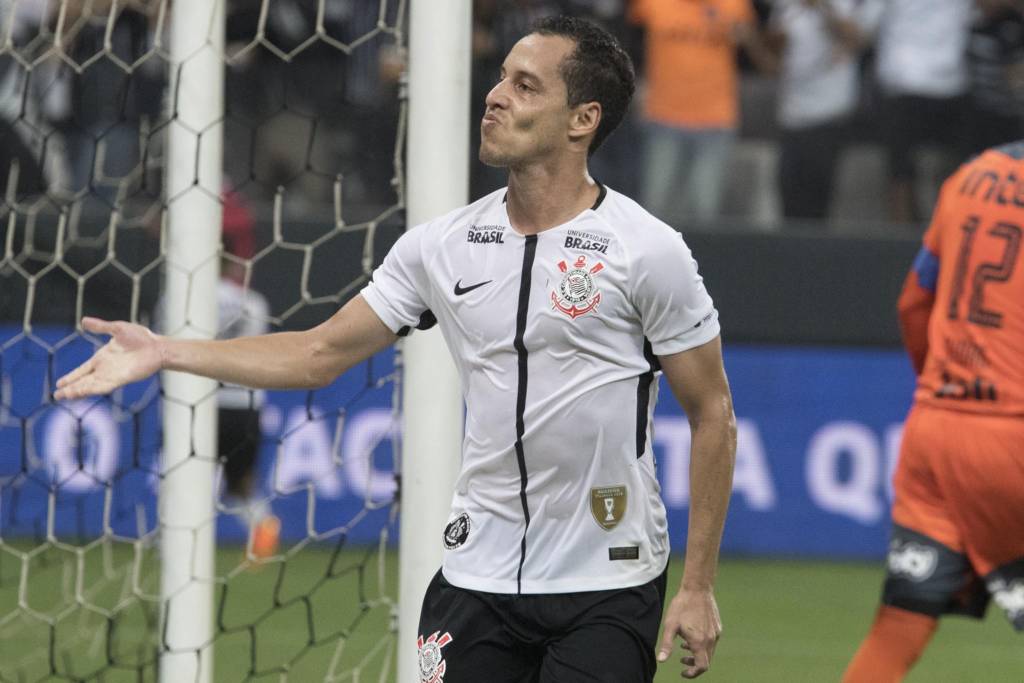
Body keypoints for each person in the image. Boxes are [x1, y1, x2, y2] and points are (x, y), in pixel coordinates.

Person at [54, 16, 737, 682]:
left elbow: (713, 415)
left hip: (607, 581)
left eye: (526, 86)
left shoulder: (647, 251)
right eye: (502, 78)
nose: (495, 95)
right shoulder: (440, 246)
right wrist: (165, 351)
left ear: (582, 119)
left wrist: (698, 584)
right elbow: (319, 353)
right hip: (476, 573)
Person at [842, 140, 1024, 681]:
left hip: (935, 429)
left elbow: (913, 303)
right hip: (1013, 435)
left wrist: (946, 391)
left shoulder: (970, 177)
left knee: (898, 627)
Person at [629, 0, 775, 226]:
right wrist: (636, 85)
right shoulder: (654, 3)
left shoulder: (732, 4)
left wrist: (746, 36)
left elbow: (755, 50)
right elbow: (628, 38)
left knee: (705, 210)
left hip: (715, 119)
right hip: (663, 116)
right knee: (654, 208)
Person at [766, 0, 883, 221]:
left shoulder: (848, 4)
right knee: (789, 203)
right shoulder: (788, 5)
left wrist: (821, 8)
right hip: (792, 116)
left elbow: (857, 40)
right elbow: (773, 53)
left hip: (830, 116)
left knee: (820, 206)